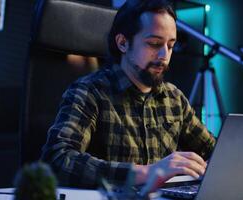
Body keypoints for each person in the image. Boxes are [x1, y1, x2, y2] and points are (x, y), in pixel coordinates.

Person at [41, 0, 215, 188]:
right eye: (154, 44)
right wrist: (148, 172)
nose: (164, 55)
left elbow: (215, 151)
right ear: (123, 43)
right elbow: (56, 159)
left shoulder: (174, 98)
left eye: (171, 46)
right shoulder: (89, 92)